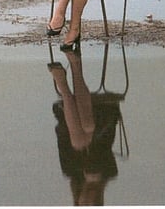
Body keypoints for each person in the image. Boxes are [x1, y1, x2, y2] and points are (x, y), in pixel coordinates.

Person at [47, 50, 122, 204]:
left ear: (78, 202)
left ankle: (72, 69)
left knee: (80, 138)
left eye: (84, 205)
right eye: (91, 205)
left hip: (67, 118)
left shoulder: (70, 171)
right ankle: (63, 81)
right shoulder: (109, 172)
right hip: (102, 117)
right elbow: (106, 138)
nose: (88, 201)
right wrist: (95, 171)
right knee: (87, 127)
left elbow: (62, 139)